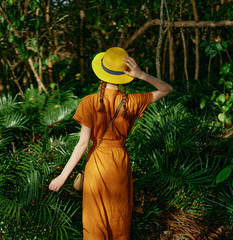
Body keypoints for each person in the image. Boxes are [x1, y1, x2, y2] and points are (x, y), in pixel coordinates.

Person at [48, 47, 173, 239]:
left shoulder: (90, 102)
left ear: (102, 74)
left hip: (97, 165)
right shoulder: (132, 102)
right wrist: (141, 75)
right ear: (124, 75)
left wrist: (62, 177)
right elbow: (167, 89)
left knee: (95, 220)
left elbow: (82, 143)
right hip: (120, 165)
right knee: (119, 217)